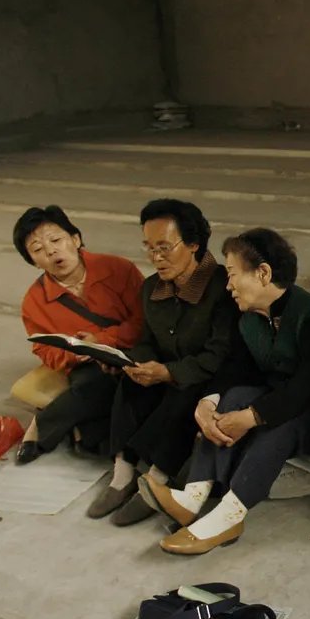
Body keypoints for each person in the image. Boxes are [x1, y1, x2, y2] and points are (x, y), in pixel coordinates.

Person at [138, 228, 310, 555]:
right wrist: (209, 402)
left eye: (233, 274)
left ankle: (229, 516)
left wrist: (251, 417)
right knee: (233, 396)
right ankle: (191, 498)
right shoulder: (249, 318)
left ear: (263, 273)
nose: (228, 284)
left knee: (280, 422)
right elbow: (236, 368)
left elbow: (308, 389)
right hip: (278, 403)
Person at [88, 199, 239, 524]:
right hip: (165, 375)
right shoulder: (151, 288)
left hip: (209, 378)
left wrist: (168, 372)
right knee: (130, 379)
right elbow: (145, 341)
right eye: (148, 247)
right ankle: (123, 473)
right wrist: (139, 364)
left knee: (188, 391)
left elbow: (219, 355)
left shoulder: (222, 287)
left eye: (165, 248)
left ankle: (157, 479)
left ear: (194, 243)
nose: (155, 257)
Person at [13, 206, 144, 465]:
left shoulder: (118, 269)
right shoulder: (34, 301)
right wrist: (81, 353)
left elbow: (144, 320)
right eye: (38, 250)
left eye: (56, 240)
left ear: (75, 239)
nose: (51, 251)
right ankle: (82, 434)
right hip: (87, 365)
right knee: (94, 389)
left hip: (135, 348)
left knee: (129, 388)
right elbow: (44, 351)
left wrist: (102, 340)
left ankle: (43, 424)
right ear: (33, 261)